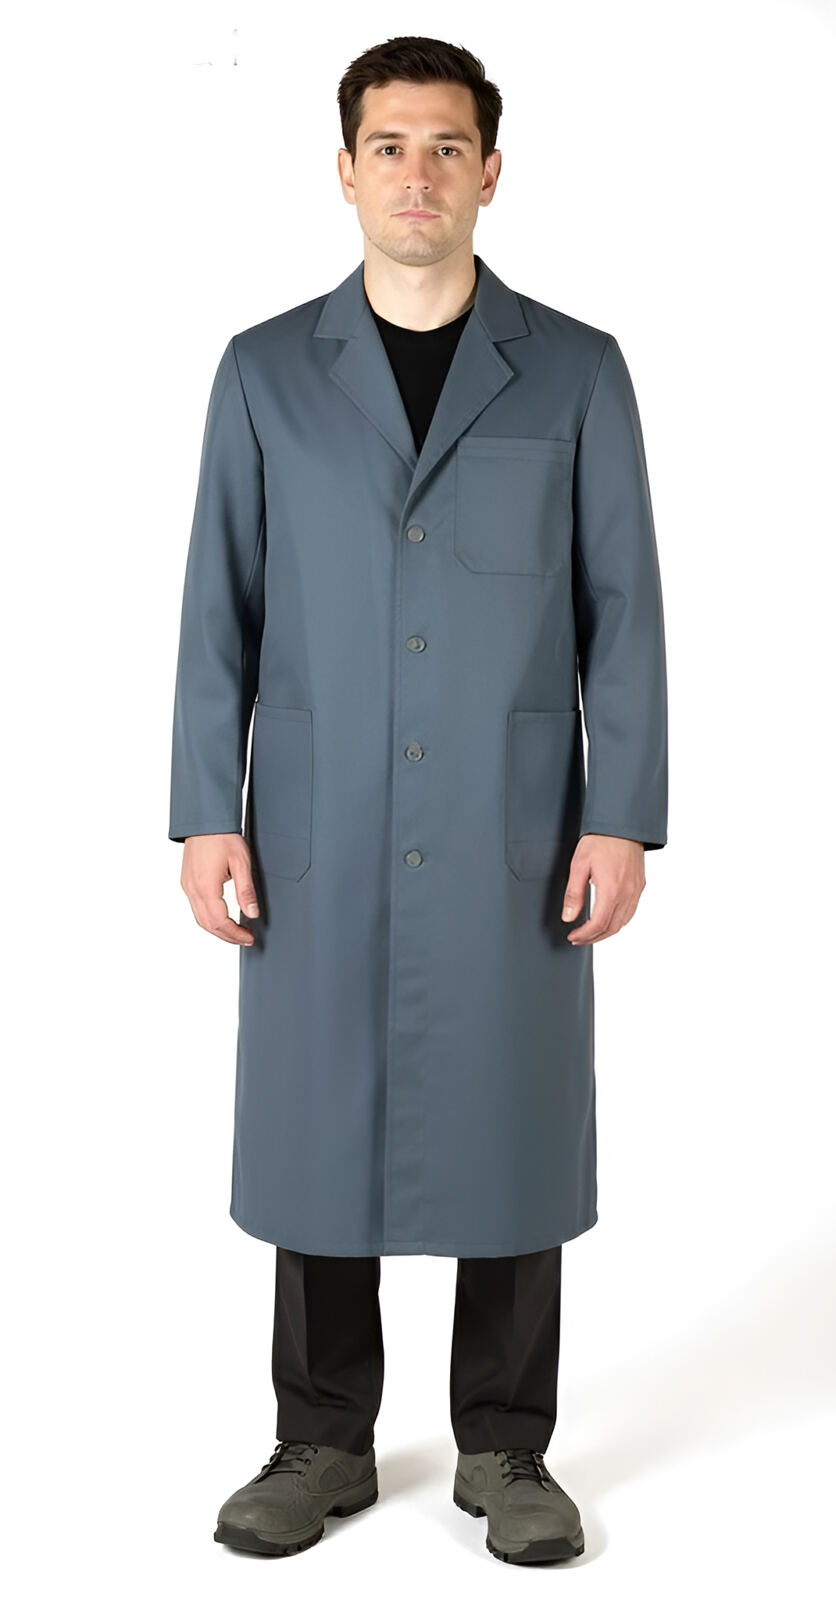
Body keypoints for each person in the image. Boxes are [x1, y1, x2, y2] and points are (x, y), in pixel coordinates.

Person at [169, 35, 668, 1565]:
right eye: (388, 145)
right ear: (344, 170)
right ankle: (319, 1439)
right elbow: (218, 609)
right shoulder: (266, 374)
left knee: (512, 1123)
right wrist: (205, 808)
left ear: (491, 172)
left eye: (447, 146)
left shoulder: (575, 370)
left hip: (516, 828)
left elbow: (623, 609)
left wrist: (621, 812)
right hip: (316, 827)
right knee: (319, 1120)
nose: (417, 174)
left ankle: (507, 1449)